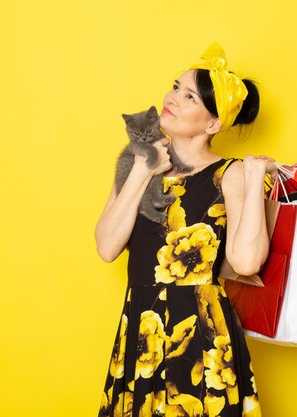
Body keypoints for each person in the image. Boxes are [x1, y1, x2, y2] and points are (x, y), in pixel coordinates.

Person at [96, 42, 275, 417]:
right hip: (142, 329)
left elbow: (247, 261)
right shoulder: (134, 163)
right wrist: (144, 169)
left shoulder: (231, 174)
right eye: (175, 86)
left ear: (213, 124)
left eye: (189, 96)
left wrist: (255, 175)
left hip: (202, 334)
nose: (172, 98)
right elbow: (107, 246)